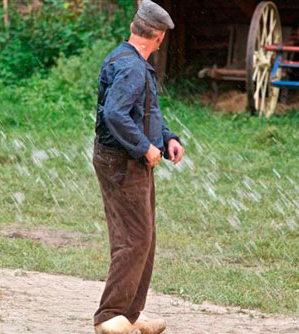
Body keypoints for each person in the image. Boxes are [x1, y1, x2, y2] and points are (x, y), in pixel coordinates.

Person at [92, 1, 185, 334]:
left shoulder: (129, 59)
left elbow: (143, 113)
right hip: (122, 162)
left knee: (144, 236)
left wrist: (166, 137)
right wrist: (144, 146)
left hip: (127, 160)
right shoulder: (132, 67)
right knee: (134, 239)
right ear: (158, 37)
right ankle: (109, 315)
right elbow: (115, 114)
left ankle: (130, 313)